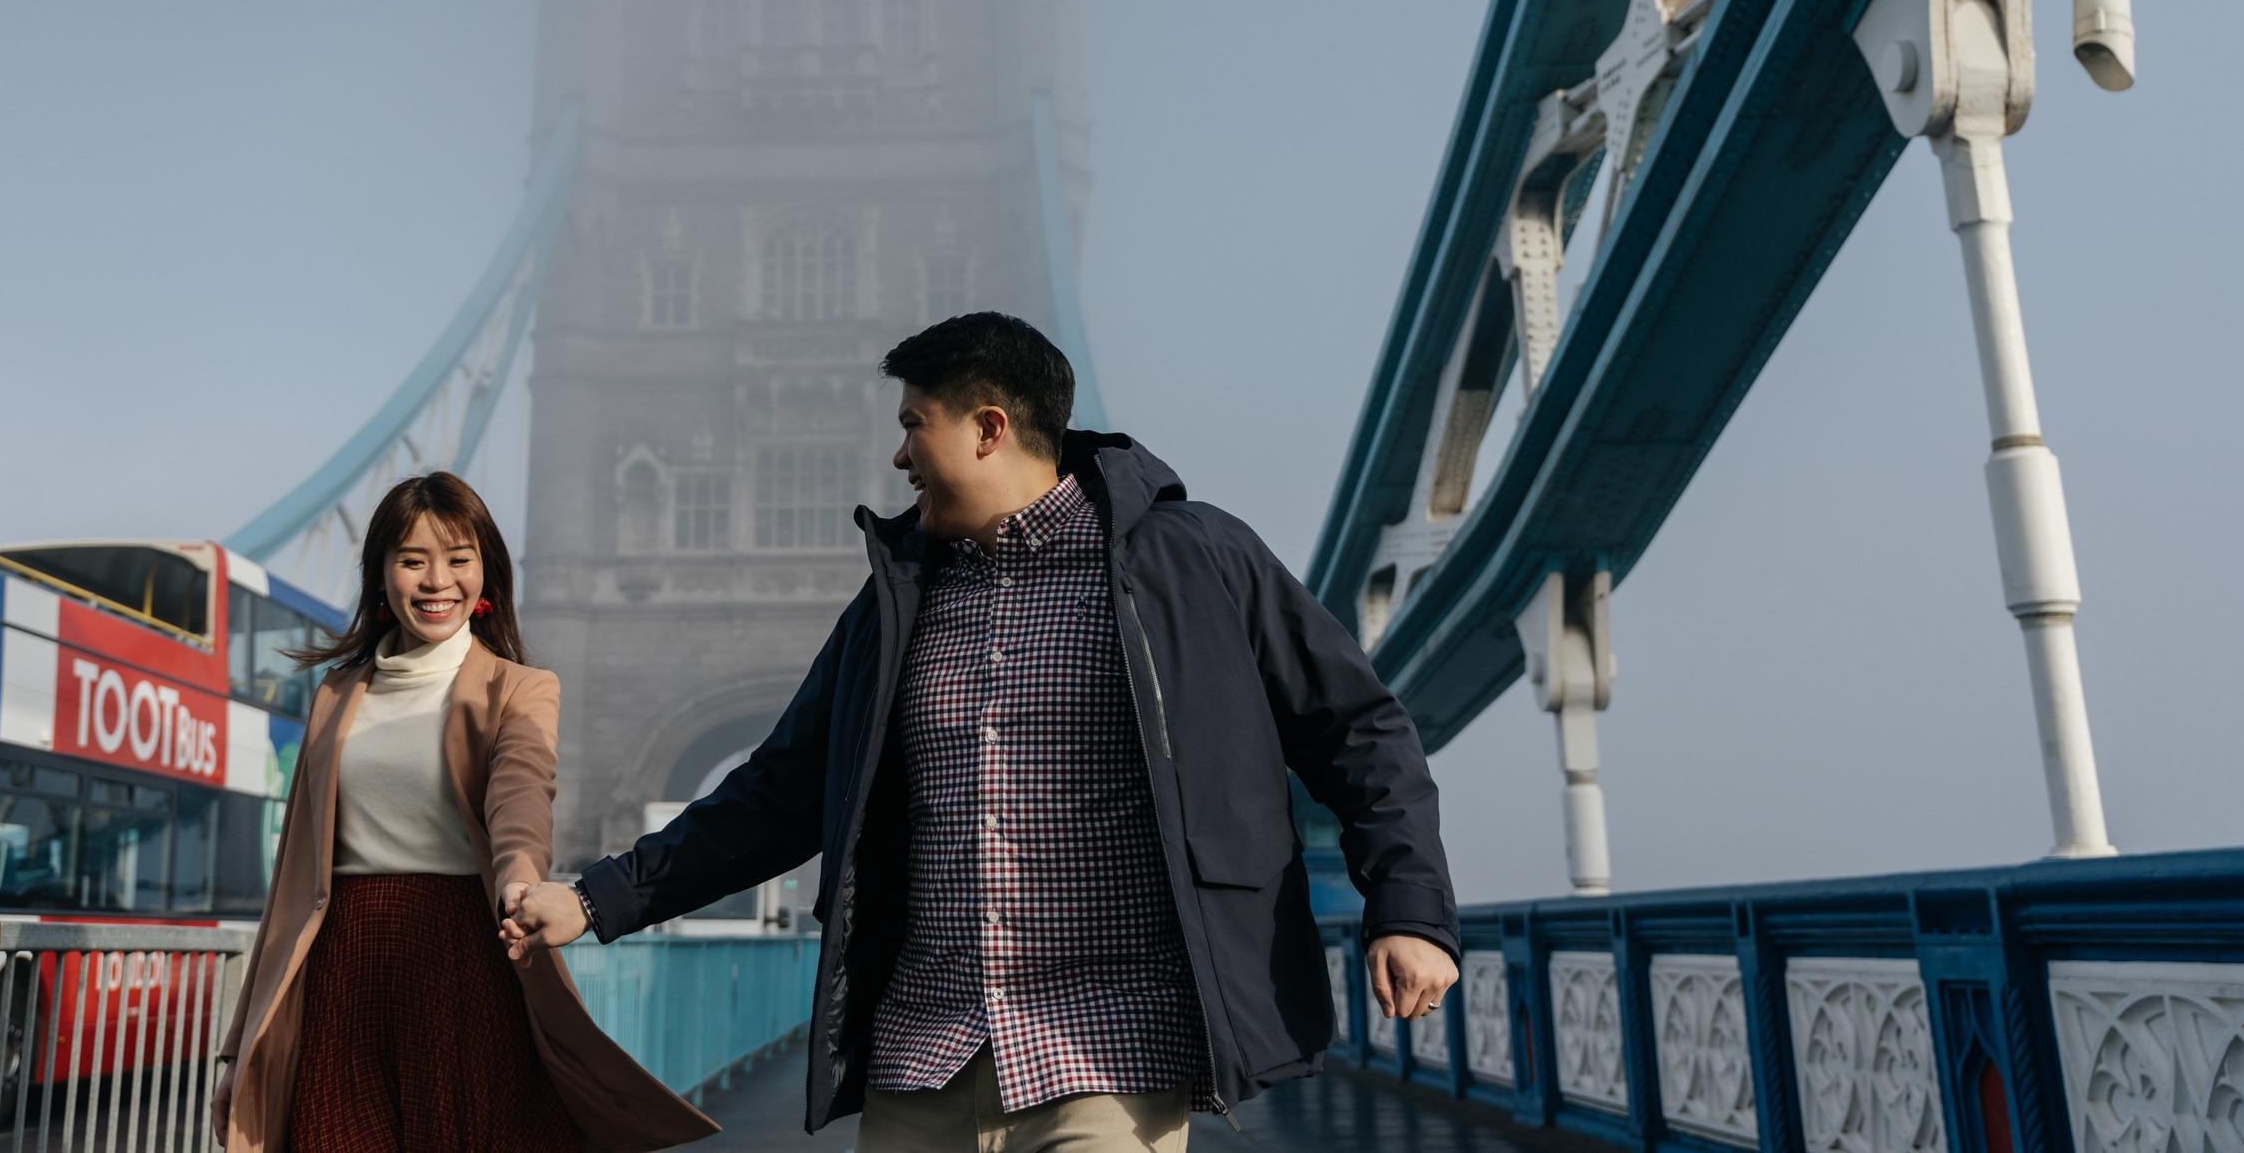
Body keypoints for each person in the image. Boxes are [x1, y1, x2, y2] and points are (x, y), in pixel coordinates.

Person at [501, 313, 1458, 1152]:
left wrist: (1410, 907)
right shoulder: (893, 605)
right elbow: (779, 792)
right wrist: (596, 899)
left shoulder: (1194, 559)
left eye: (915, 425)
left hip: (1111, 1051)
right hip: (923, 1052)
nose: (899, 455)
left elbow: (1357, 728)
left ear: (989, 427)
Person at [211, 472, 715, 1153]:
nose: (435, 580)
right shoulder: (335, 694)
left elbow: (521, 794)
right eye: (413, 559)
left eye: (458, 558)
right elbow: (289, 882)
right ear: (382, 574)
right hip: (339, 972)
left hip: (463, 961)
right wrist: (239, 1048)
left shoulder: (520, 688)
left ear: (486, 575)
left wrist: (520, 877)